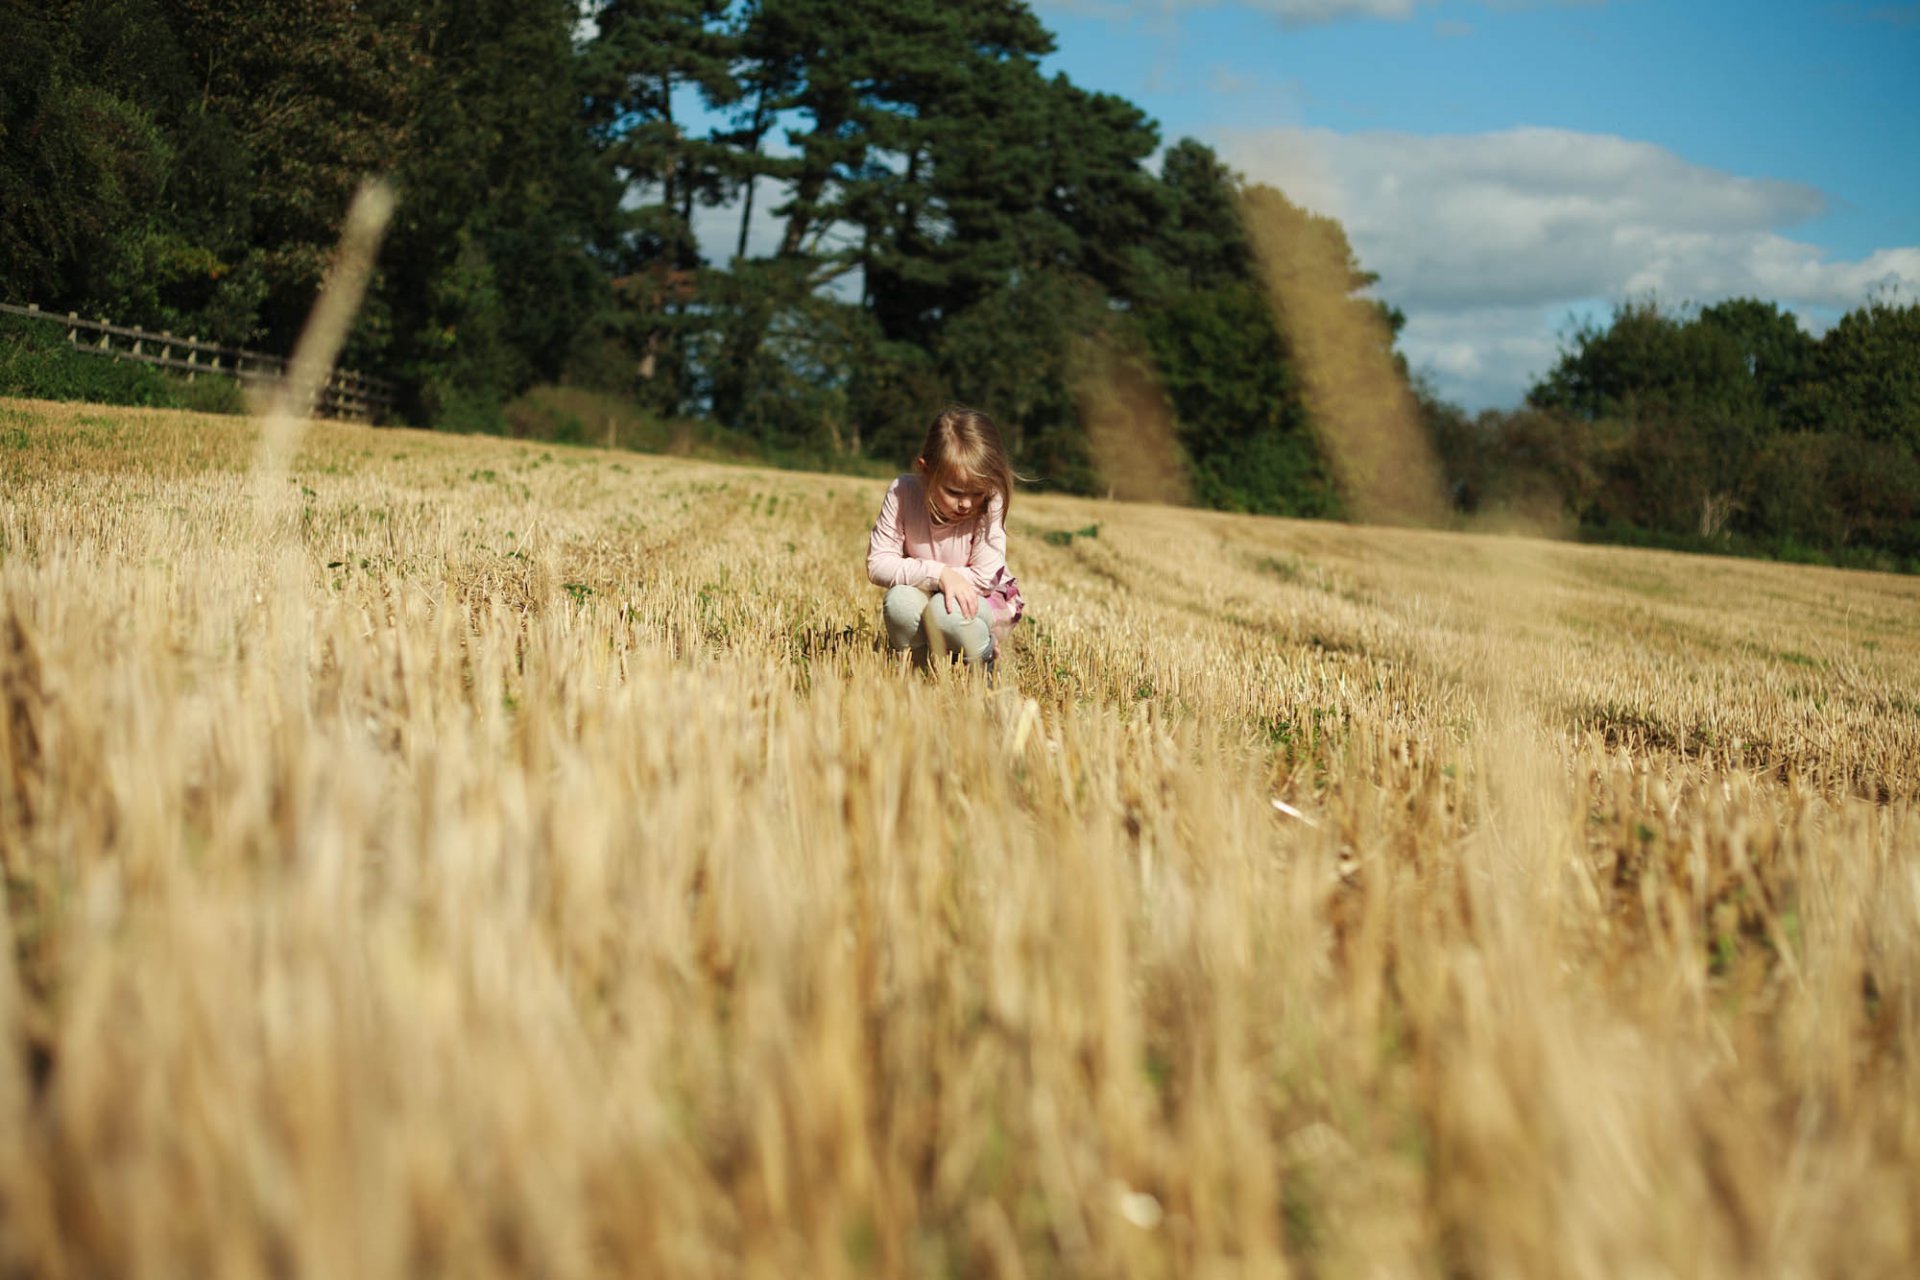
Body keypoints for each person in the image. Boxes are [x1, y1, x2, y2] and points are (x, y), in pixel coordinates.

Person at [866, 406, 1025, 672]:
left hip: (983, 599)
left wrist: (941, 579)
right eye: (954, 492)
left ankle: (982, 662)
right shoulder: (902, 492)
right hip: (927, 588)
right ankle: (916, 672)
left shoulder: (992, 501)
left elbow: (985, 577)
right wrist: (940, 575)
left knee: (945, 612)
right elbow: (877, 564)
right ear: (925, 470)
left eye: (977, 493)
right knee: (900, 602)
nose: (966, 504)